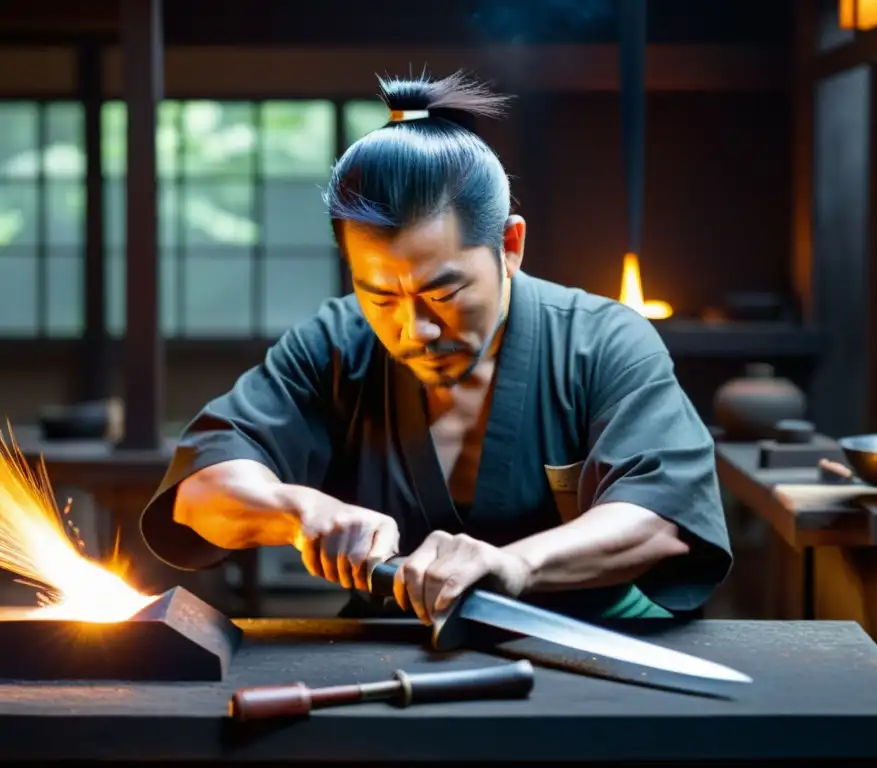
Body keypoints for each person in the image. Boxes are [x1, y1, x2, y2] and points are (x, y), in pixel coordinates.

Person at [140, 71, 732, 624]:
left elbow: (663, 517)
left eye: (442, 292)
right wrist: (301, 512)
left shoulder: (602, 341)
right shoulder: (335, 345)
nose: (412, 329)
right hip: (389, 653)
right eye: (379, 294)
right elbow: (200, 491)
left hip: (591, 647)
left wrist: (515, 564)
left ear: (510, 244)